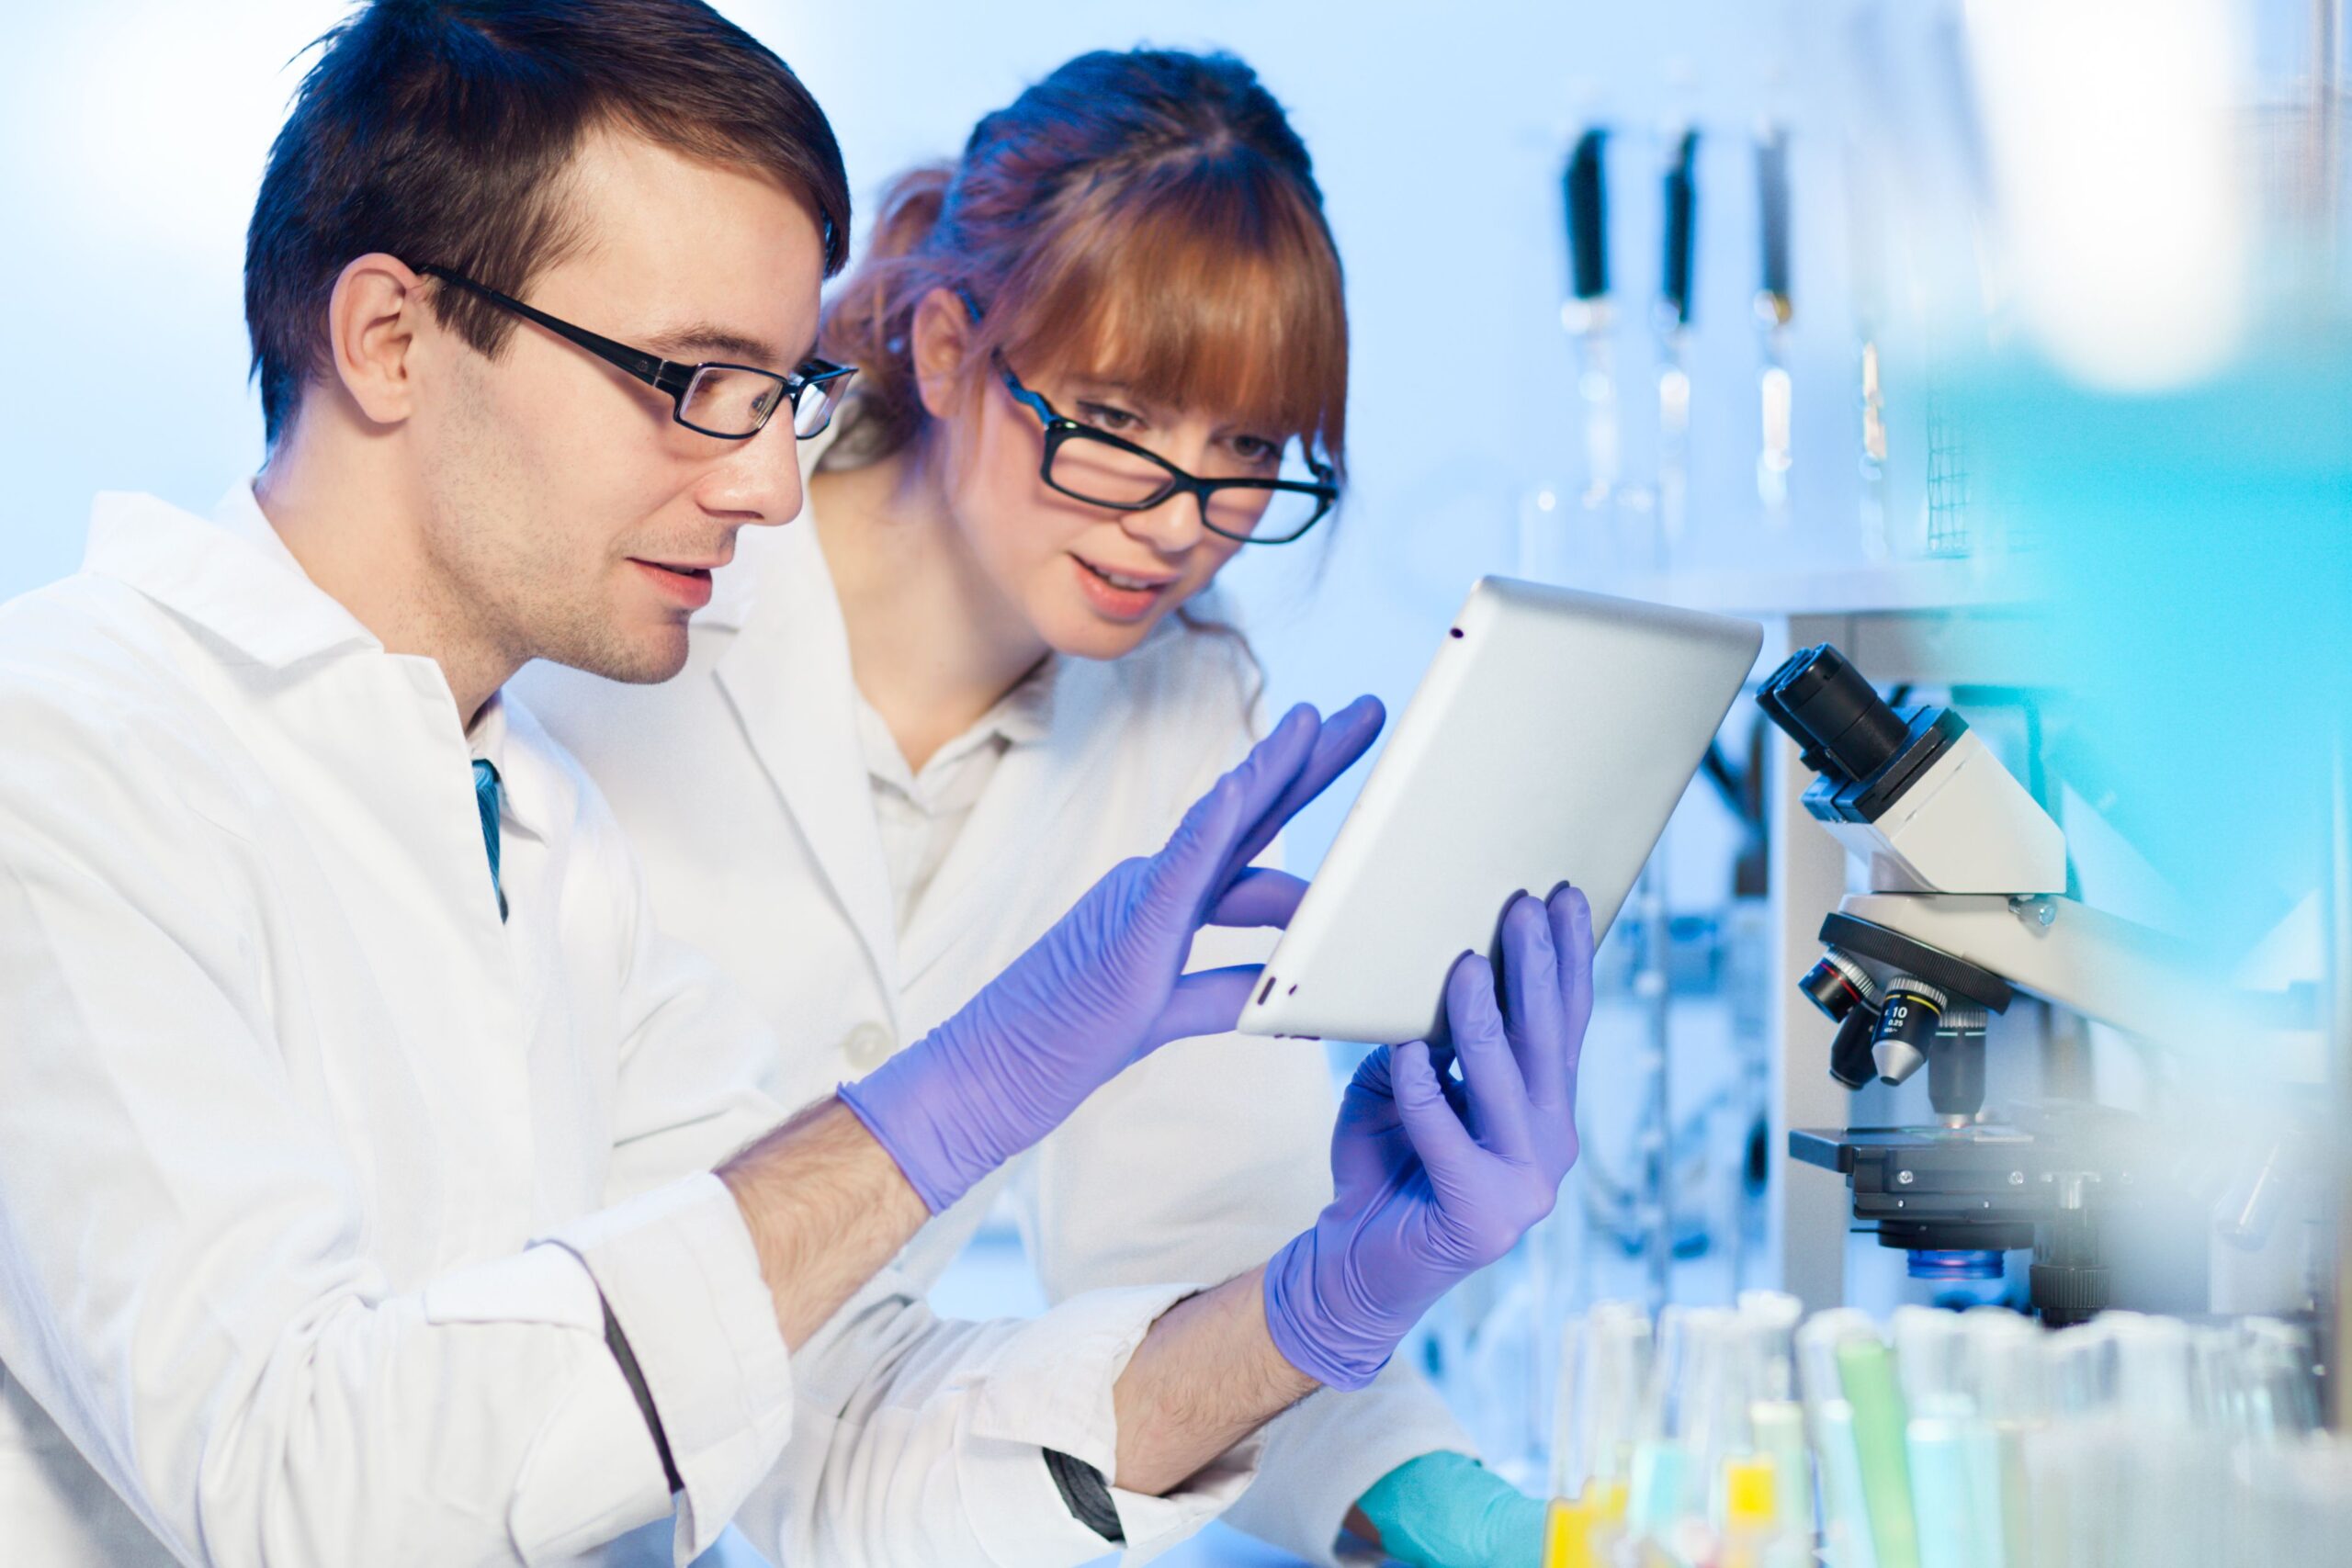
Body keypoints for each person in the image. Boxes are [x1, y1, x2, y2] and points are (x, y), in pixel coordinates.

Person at [0, 5, 1591, 1567]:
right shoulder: (61, 753)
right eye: (693, 377)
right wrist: (945, 1104)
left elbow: (815, 1423)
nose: (767, 485)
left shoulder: (534, 819)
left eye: (778, 395)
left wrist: (1321, 1307)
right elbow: (301, 1489)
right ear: (391, 338)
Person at [521, 47, 1565, 1568]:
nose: (1177, 523)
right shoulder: (651, 580)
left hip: (833, 1471)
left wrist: (1406, 1479)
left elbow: (1197, 1252)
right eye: (1118, 416)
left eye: (1245, 453)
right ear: (947, 352)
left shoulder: (1183, 705)